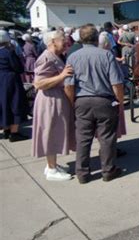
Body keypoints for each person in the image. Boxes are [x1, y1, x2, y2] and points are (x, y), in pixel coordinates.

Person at [64, 24, 124, 184]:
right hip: (104, 100)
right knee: (107, 138)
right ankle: (108, 170)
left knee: (83, 138)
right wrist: (120, 101)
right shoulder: (107, 55)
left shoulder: (73, 57)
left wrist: (72, 103)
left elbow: (68, 85)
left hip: (82, 100)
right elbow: (116, 83)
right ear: (97, 38)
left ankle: (82, 173)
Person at [31, 31, 75, 181]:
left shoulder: (54, 56)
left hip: (55, 98)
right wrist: (62, 76)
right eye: (62, 39)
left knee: (55, 132)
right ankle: (51, 169)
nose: (66, 42)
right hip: (49, 100)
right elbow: (38, 83)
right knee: (50, 133)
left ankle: (52, 164)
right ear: (53, 41)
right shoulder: (46, 58)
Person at [0, 30, 29, 142]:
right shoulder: (8, 52)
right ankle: (14, 132)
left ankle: (6, 129)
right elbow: (18, 68)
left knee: (4, 104)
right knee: (15, 103)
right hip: (10, 80)